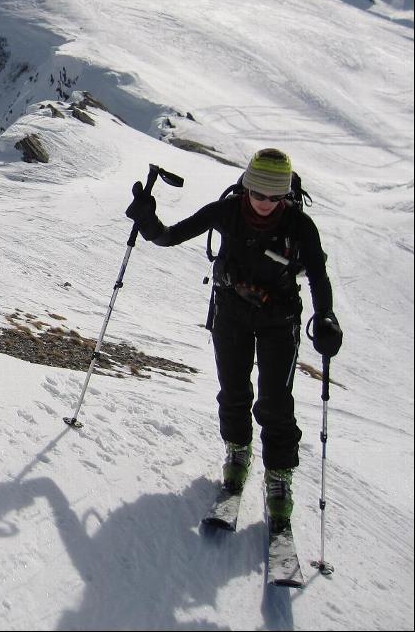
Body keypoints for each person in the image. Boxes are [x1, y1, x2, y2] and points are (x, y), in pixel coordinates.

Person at [125, 148, 342, 530]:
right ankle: (238, 453)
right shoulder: (226, 211)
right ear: (246, 186)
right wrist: (147, 220)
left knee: (275, 401)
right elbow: (170, 237)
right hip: (231, 314)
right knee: (234, 390)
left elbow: (319, 276)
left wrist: (325, 315)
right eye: (259, 194)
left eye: (275, 197)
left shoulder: (299, 225)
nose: (265, 204)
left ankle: (278, 479)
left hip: (280, 319)